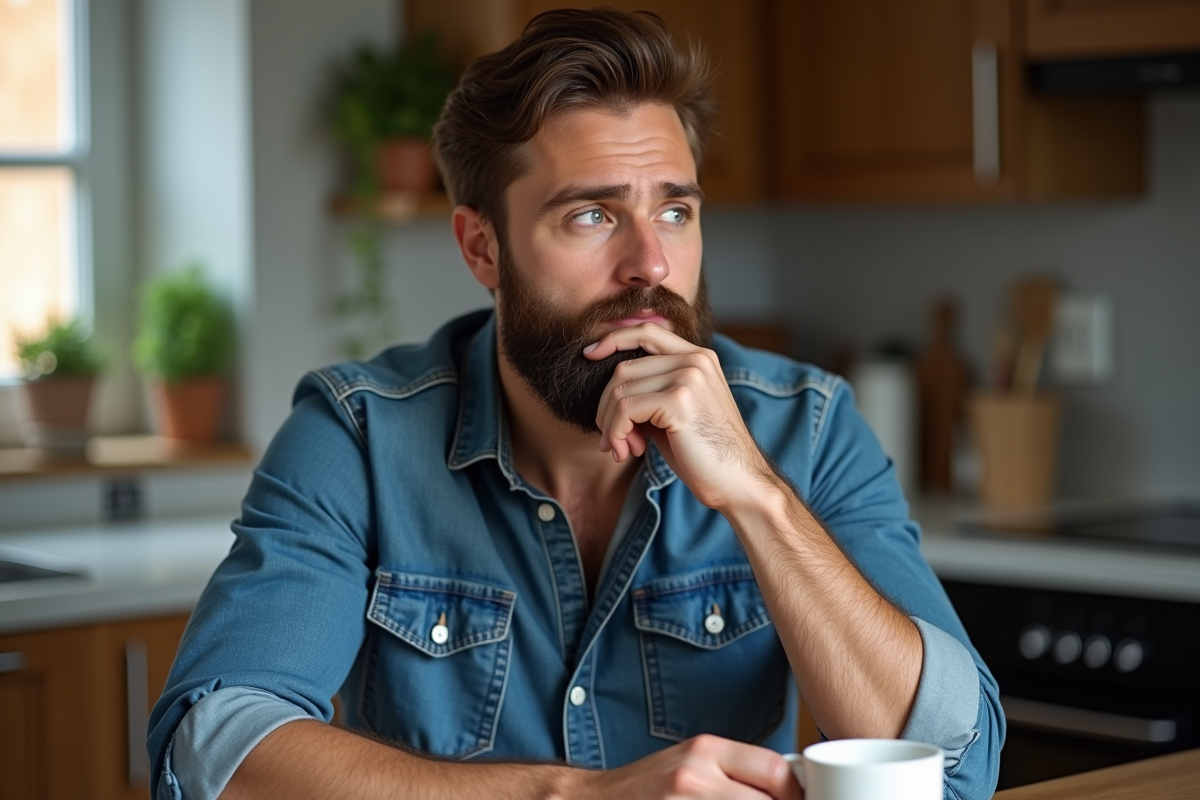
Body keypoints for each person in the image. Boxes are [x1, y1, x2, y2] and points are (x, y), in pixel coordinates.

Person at [148, 9, 1003, 800]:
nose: (651, 265)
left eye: (675, 210)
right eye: (593, 215)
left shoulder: (807, 430)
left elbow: (957, 758)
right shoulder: (358, 437)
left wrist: (755, 493)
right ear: (483, 248)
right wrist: (573, 797)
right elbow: (213, 745)